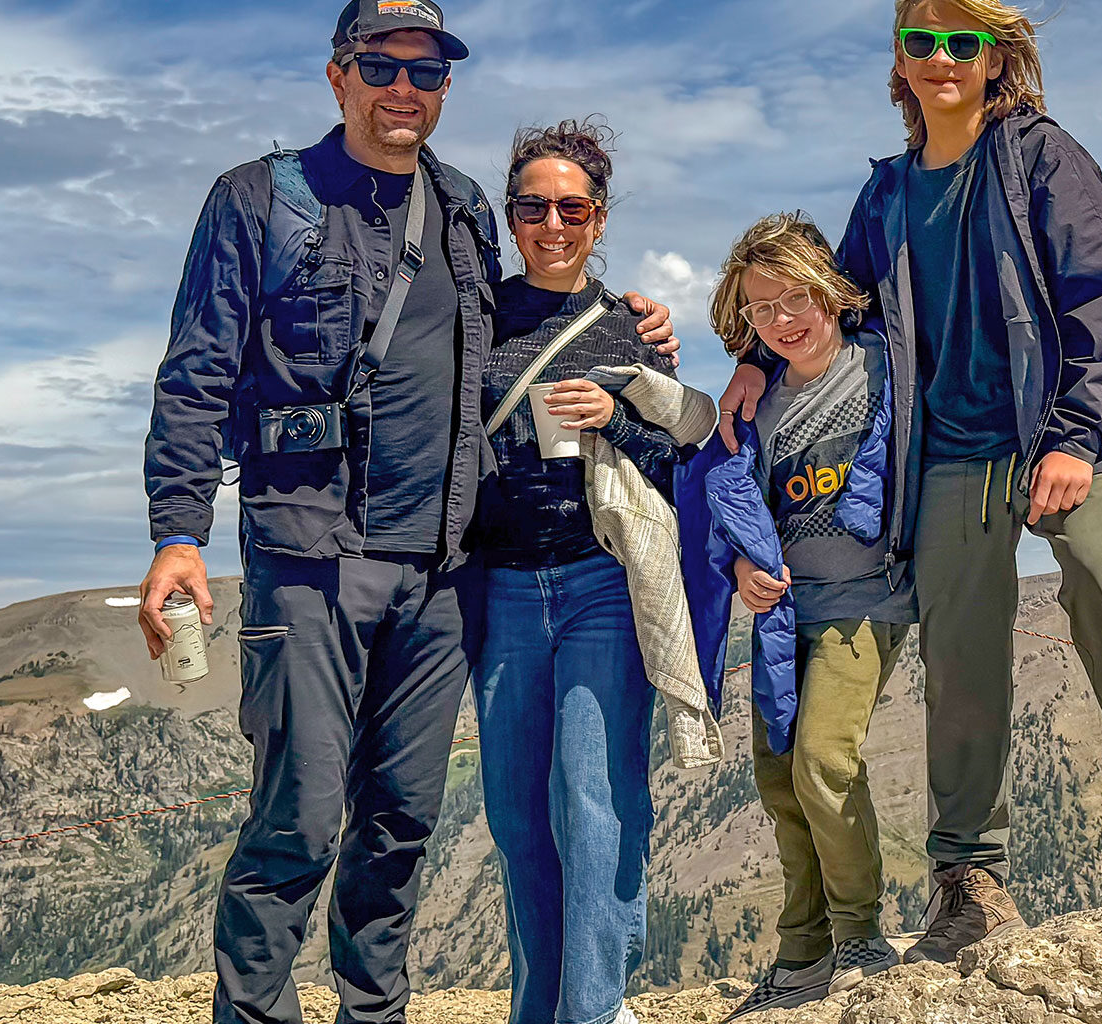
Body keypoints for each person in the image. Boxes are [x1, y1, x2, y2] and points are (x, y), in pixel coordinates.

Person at [138, 5, 675, 1021]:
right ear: (338, 74)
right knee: (296, 821)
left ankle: (373, 1013)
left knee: (399, 826)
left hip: (442, 575)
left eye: (425, 72)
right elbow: (196, 373)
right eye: (380, 66)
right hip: (308, 558)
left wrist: (628, 321)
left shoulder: (463, 208)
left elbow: (517, 328)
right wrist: (177, 533)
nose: (402, 88)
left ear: (444, 89)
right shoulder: (261, 199)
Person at [718, 0, 1102, 967]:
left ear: (995, 55)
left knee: (1098, 572)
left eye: (962, 40)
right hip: (946, 450)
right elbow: (835, 304)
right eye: (921, 41)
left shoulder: (1041, 158)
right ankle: (969, 877)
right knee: (961, 651)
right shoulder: (888, 194)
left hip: (1057, 432)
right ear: (900, 63)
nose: (941, 56)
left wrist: (1076, 439)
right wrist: (751, 357)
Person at [474, 119, 712, 1024]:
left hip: (599, 585)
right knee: (515, 817)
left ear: (599, 217)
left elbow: (674, 458)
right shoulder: (475, 318)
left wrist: (615, 417)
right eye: (532, 207)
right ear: (511, 215)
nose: (552, 225)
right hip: (500, 587)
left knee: (594, 802)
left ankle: (594, 1010)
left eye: (572, 209)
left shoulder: (626, 329)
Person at [679, 214, 916, 1017]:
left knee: (822, 758)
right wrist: (741, 569)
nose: (783, 319)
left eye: (796, 299)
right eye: (762, 307)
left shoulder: (885, 366)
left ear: (832, 294)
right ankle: (804, 945)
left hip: (867, 600)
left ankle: (860, 936)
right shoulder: (757, 407)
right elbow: (740, 517)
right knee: (780, 777)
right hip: (784, 616)